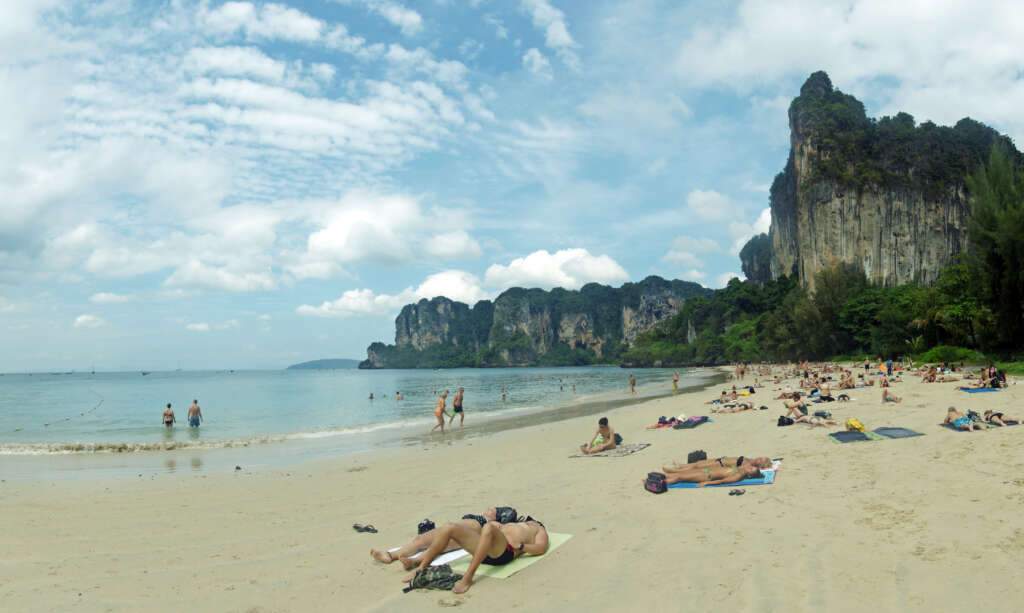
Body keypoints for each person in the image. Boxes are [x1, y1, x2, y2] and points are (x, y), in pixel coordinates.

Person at [404, 518, 549, 594]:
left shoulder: (538, 529)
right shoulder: (515, 523)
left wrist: (522, 547)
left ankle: (467, 578)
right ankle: (420, 568)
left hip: (504, 552)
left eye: (532, 520)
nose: (530, 520)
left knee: (488, 528)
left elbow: (541, 548)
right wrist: (498, 526)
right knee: (449, 527)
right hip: (484, 547)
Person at [371, 507, 514, 565]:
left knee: (435, 543)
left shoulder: (488, 522)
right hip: (467, 528)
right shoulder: (482, 520)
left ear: (498, 517)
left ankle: (404, 559)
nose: (489, 509)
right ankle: (397, 557)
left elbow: (497, 532)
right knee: (424, 541)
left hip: (472, 529)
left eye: (493, 510)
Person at [656, 463, 763, 486]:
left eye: (751, 469)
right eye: (752, 467)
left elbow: (723, 481)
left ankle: (658, 483)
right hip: (706, 470)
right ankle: (656, 478)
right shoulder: (741, 469)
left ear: (749, 475)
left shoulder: (738, 476)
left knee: (679, 477)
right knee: (681, 473)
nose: (750, 467)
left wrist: (707, 483)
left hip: (706, 476)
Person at [664, 456, 771, 473]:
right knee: (698, 463)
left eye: (761, 459)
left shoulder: (748, 465)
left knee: (696, 467)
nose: (759, 457)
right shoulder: (751, 460)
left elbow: (735, 469)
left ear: (760, 463)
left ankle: (676, 471)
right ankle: (681, 465)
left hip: (720, 465)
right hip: (719, 459)